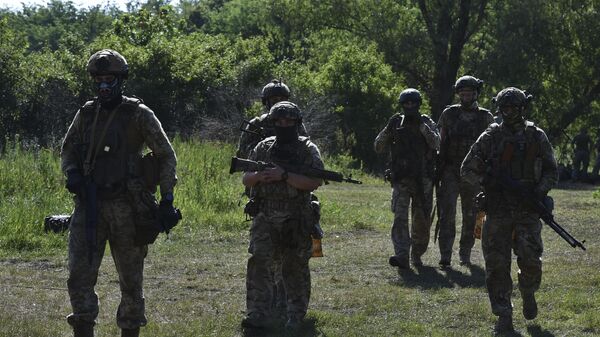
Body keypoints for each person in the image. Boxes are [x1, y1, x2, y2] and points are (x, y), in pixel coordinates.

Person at [61, 49, 179, 337]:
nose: (104, 84)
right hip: (89, 206)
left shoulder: (138, 114)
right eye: (99, 78)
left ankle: (129, 330)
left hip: (128, 206)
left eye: (109, 78)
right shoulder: (87, 113)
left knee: (130, 280)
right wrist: (73, 174)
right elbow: (68, 149)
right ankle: (83, 328)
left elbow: (165, 155)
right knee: (79, 276)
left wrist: (166, 199)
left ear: (120, 80)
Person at [461, 87, 558, 334]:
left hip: (527, 209)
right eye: (504, 108)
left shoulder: (536, 136)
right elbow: (467, 169)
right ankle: (503, 313)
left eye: (513, 108)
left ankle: (528, 293)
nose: (508, 112)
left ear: (522, 108)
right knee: (496, 265)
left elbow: (551, 170)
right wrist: (489, 184)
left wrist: (539, 191)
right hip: (498, 210)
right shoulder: (491, 136)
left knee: (531, 261)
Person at [241, 101, 323, 331]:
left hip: (296, 217)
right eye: (278, 121)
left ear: (297, 123)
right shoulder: (263, 147)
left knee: (295, 267)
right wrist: (260, 176)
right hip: (264, 215)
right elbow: (246, 178)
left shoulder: (308, 149)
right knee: (259, 263)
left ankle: (295, 315)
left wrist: (284, 175)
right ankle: (257, 313)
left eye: (288, 121)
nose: (283, 125)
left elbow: (314, 182)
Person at [374, 88, 440, 268]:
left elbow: (436, 143)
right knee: (399, 219)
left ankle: (417, 255)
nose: (409, 106)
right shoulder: (395, 122)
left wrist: (422, 127)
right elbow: (378, 146)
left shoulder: (426, 121)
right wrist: (389, 129)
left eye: (413, 103)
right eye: (406, 103)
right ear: (402, 105)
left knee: (421, 220)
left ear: (418, 104)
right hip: (401, 179)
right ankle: (401, 254)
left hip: (422, 180)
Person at [436, 75, 494, 267]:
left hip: (473, 173)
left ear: (476, 93)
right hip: (450, 170)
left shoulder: (486, 117)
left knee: (471, 216)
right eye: (463, 92)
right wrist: (438, 166)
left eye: (470, 92)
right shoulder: (449, 114)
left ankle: (465, 254)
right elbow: (441, 141)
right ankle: (445, 255)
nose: (466, 95)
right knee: (447, 215)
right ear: (458, 93)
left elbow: (492, 148)